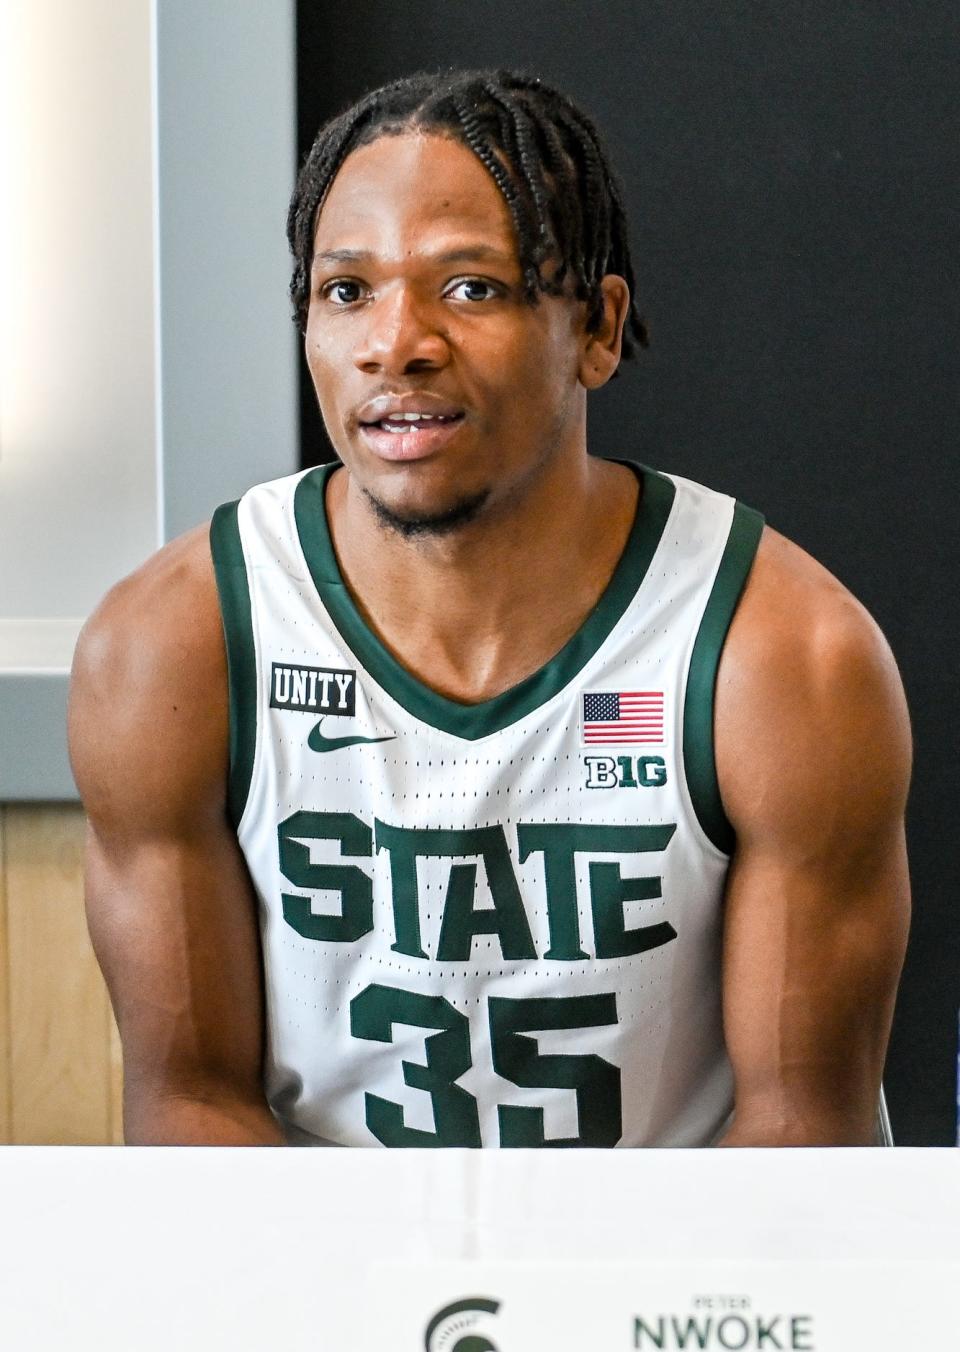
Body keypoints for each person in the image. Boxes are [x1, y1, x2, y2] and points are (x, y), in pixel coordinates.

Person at [68, 69, 911, 1148]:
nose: (396, 342)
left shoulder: (785, 656)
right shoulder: (171, 648)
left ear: (597, 329)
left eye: (469, 289)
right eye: (347, 291)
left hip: (670, 1288)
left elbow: (802, 1138)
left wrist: (603, 1316)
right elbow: (190, 1102)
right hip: (329, 1283)